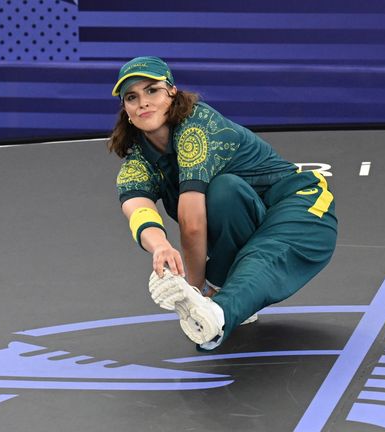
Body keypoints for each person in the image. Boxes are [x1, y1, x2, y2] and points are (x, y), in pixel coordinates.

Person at [108, 56, 338, 351]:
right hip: (249, 216)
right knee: (225, 193)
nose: (143, 102)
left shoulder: (197, 127)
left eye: (152, 90)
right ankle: (228, 301)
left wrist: (193, 290)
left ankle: (216, 311)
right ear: (126, 110)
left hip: (300, 204)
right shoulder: (137, 164)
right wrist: (160, 246)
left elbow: (192, 225)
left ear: (172, 93)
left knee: (258, 244)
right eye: (132, 97)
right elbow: (138, 210)